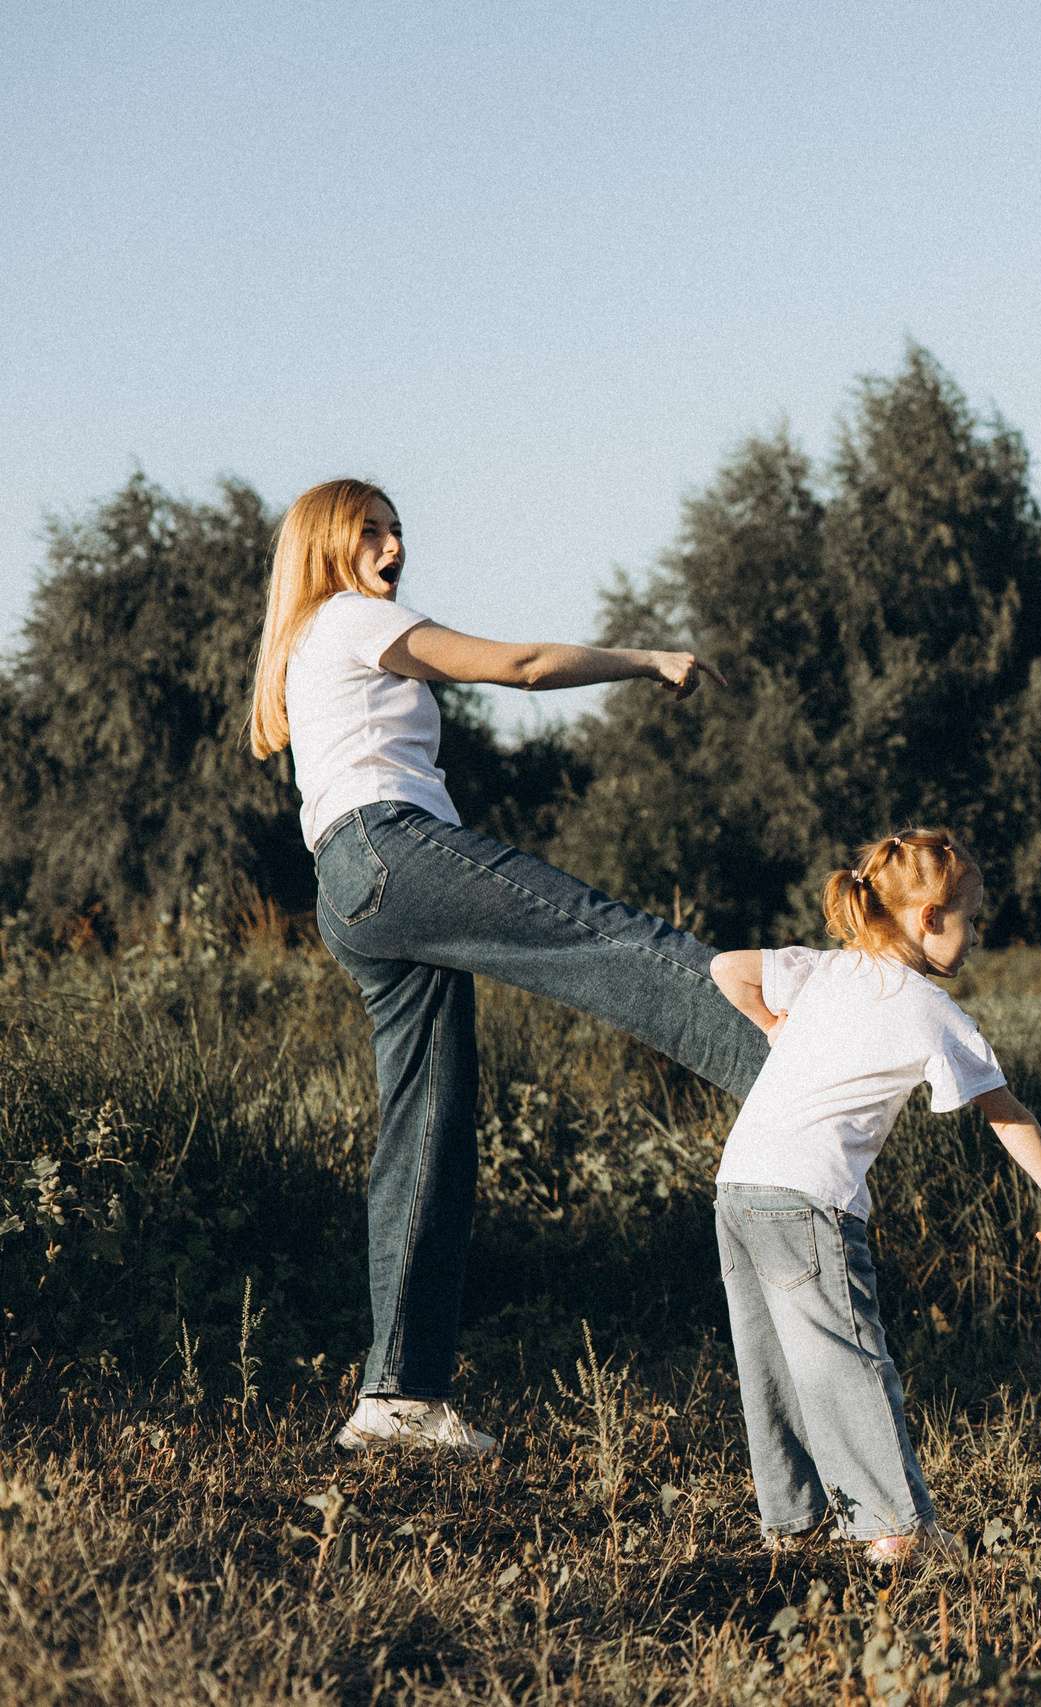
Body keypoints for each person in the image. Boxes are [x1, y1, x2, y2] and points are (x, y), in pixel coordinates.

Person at [248, 477, 770, 1456]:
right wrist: (646, 658)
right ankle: (790, 1070)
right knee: (599, 934)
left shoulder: (311, 640)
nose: (392, 546)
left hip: (349, 889)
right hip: (392, 850)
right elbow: (521, 666)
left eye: (397, 531)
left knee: (428, 1127)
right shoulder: (357, 617)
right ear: (327, 545)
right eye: (369, 531)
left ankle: (398, 1399)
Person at [707, 828, 1041, 1564]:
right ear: (930, 916)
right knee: (849, 1356)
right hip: (810, 1194)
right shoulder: (929, 1008)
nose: (975, 938)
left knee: (773, 1360)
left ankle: (796, 1521)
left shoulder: (826, 971)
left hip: (739, 1182)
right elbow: (1007, 1113)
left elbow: (727, 968)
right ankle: (898, 1530)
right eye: (971, 919)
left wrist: (776, 1029)